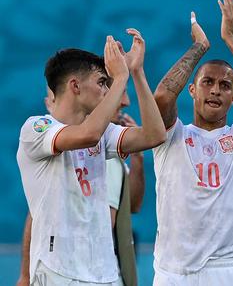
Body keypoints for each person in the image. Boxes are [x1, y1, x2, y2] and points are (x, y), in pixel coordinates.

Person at [16, 29, 166, 285]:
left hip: (104, 273)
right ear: (75, 86)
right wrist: (119, 78)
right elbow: (88, 134)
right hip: (58, 271)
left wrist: (137, 73)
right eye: (101, 83)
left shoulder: (104, 131)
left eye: (109, 84)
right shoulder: (36, 128)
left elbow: (154, 135)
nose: (108, 91)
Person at [151, 0, 233, 286]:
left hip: (224, 271)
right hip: (173, 272)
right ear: (192, 91)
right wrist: (199, 47)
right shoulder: (172, 135)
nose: (216, 90)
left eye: (225, 85)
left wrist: (231, 39)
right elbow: (161, 97)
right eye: (207, 82)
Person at [17, 85, 145, 286]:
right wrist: (25, 275)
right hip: (76, 273)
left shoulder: (109, 147)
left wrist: (138, 156)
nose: (125, 101)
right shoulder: (58, 143)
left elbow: (133, 205)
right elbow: (38, 215)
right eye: (118, 92)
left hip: (105, 274)